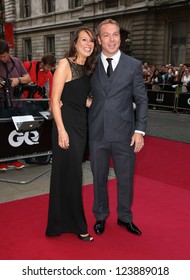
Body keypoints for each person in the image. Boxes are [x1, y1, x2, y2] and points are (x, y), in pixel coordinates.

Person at [88, 19, 148, 236]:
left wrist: (140, 130)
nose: (111, 39)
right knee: (99, 178)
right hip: (97, 133)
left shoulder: (133, 65)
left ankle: (125, 217)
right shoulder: (91, 64)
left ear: (121, 38)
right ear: (99, 39)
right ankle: (101, 216)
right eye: (106, 35)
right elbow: (82, 91)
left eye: (115, 34)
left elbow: (141, 100)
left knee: (126, 179)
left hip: (125, 134)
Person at [45, 27, 97, 242]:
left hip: (80, 126)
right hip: (66, 127)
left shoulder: (87, 69)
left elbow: (79, 98)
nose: (88, 43)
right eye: (83, 39)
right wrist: (61, 130)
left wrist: (88, 102)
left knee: (71, 174)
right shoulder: (65, 64)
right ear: (75, 43)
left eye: (91, 40)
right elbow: (54, 100)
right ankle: (77, 225)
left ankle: (61, 223)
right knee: (71, 175)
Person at [0, 39, 31, 171]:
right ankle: (2, 160)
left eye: (4, 56)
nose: (2, 58)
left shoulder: (17, 62)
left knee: (16, 131)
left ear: (9, 52)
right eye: (0, 56)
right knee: (3, 132)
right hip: (2, 103)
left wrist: (17, 80)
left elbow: (28, 78)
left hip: (17, 103)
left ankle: (14, 159)